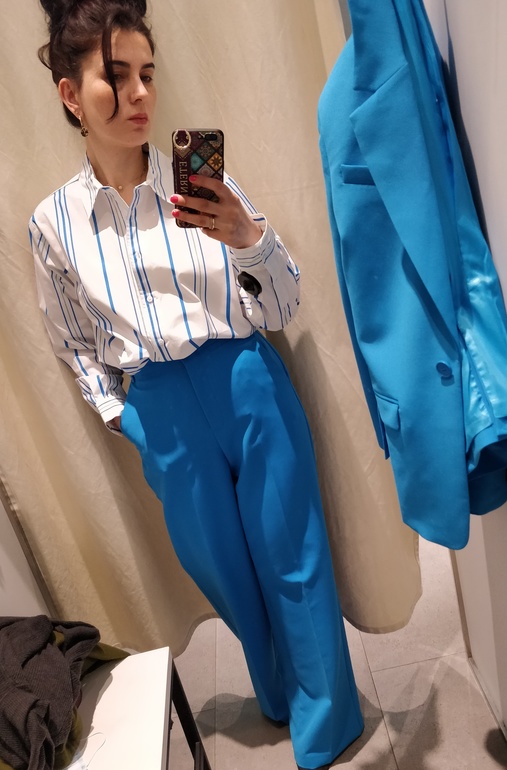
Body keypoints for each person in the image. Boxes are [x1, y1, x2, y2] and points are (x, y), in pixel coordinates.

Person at [30, 1, 364, 767]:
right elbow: (72, 341)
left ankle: (327, 726)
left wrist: (247, 238)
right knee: (223, 571)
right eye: (117, 76)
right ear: (70, 94)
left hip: (245, 382)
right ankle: (278, 694)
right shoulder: (54, 223)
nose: (140, 94)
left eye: (148, 74)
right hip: (160, 412)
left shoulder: (200, 181)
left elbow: (280, 306)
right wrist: (122, 416)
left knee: (292, 555)